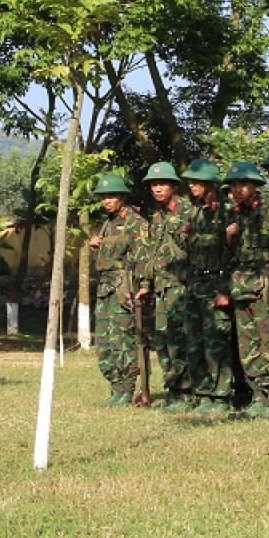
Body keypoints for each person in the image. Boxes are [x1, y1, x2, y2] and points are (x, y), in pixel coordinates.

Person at [224, 161, 269, 417]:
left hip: (267, 286)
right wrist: (229, 237)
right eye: (234, 185)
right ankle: (258, 396)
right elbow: (230, 255)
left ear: (255, 185)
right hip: (242, 287)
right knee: (248, 345)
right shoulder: (234, 214)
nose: (238, 189)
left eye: (243, 184)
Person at [178, 161, 236, 415]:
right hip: (195, 284)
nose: (191, 186)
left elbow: (235, 255)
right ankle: (202, 393)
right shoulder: (193, 214)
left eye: (196, 181)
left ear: (211, 184)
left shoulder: (228, 212)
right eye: (190, 181)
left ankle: (221, 395)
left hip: (217, 282)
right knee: (194, 342)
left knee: (217, 342)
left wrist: (226, 288)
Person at [139, 163, 197, 409]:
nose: (157, 188)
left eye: (162, 183)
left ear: (173, 185)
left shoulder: (189, 211)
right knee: (162, 341)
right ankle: (174, 388)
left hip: (181, 287)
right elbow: (152, 253)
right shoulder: (157, 216)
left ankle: (187, 392)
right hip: (162, 288)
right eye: (153, 184)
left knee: (181, 339)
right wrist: (146, 283)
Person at [87, 174, 147, 406]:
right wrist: (96, 244)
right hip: (105, 286)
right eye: (103, 197)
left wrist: (143, 286)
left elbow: (142, 256)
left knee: (123, 339)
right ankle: (115, 387)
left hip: (124, 286)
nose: (107, 201)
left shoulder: (135, 222)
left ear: (122, 196)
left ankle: (126, 388)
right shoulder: (107, 223)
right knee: (104, 341)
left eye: (111, 196)